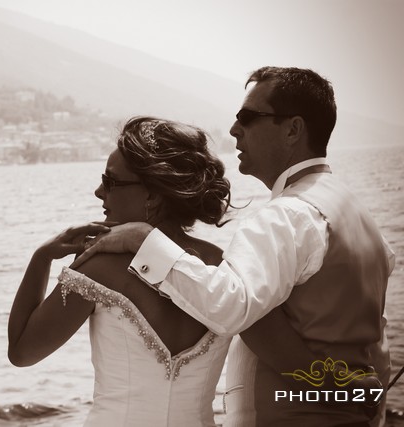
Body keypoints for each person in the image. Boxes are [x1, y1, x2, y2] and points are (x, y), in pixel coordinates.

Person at [72, 67, 396, 427]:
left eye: (248, 117)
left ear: (293, 129)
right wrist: (351, 396)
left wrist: (143, 241)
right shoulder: (359, 219)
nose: (233, 129)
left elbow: (229, 307)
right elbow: (375, 349)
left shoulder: (287, 217)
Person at [8, 116, 234, 426]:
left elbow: (22, 352)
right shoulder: (221, 265)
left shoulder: (98, 267)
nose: (99, 192)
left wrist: (41, 257)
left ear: (153, 195)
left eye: (111, 181)